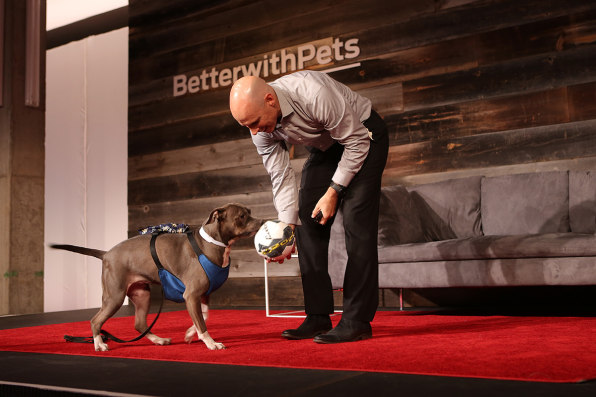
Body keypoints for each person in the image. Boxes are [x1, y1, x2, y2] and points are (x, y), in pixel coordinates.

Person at [229, 70, 388, 343]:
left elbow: (356, 141)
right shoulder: (259, 129)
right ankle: (317, 316)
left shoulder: (312, 93)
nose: (254, 132)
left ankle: (356, 320)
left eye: (255, 123)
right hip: (327, 147)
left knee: (356, 224)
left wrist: (334, 191)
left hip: (362, 135)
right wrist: (285, 233)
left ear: (270, 100)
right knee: (306, 221)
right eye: (246, 126)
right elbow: (280, 176)